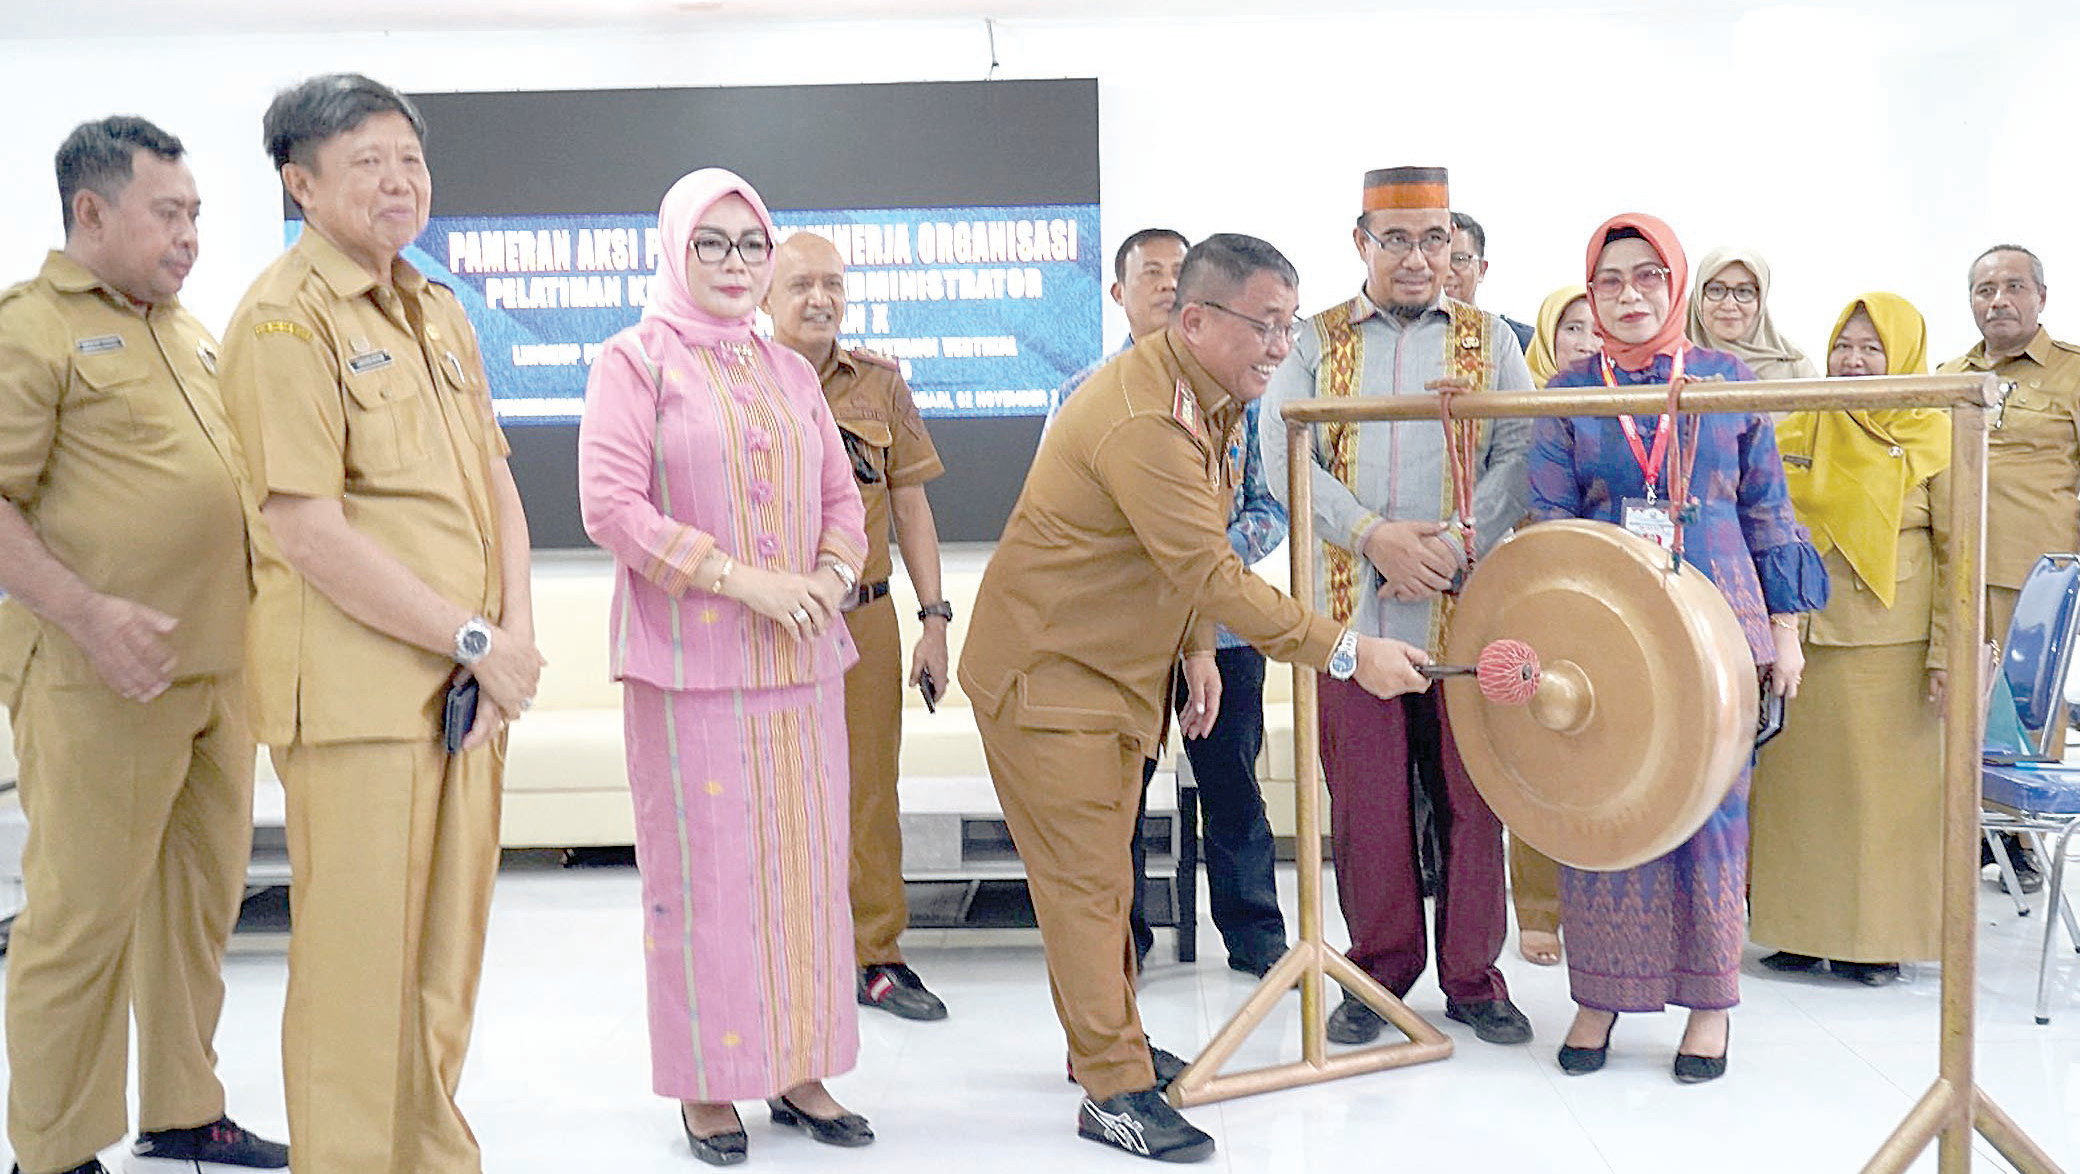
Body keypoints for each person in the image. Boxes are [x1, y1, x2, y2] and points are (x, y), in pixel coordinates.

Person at [958, 233, 1432, 1162]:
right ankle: (1113, 1089)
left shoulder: (1204, 399)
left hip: (1110, 671)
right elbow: (1207, 566)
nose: (1276, 346)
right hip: (1051, 678)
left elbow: (1165, 561)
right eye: (1263, 325)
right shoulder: (1148, 417)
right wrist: (1345, 651)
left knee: (1104, 875)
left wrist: (1196, 650)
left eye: (1288, 326)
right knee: (1090, 888)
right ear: (1197, 320)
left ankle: (1108, 1045)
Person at [218, 74, 542, 1174]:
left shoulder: (438, 308)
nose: (398, 180)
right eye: (367, 161)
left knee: (442, 966)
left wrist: (513, 640)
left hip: (463, 695)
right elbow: (305, 528)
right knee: (359, 975)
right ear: (300, 184)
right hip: (360, 700)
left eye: (409, 157)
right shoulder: (282, 318)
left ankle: (429, 1153)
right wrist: (475, 640)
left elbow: (496, 483)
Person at [0, 117, 287, 1174]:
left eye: (197, 214)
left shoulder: (187, 329)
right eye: (169, 213)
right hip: (94, 678)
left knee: (195, 912)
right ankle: (55, 1148)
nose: (191, 235)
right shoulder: (30, 331)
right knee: (80, 922)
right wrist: (85, 610)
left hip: (216, 671)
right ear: (91, 212)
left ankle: (183, 1107)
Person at [580, 168, 873, 1167]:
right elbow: (610, 507)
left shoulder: (789, 369)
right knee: (706, 882)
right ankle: (708, 1082)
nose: (736, 265)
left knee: (804, 875)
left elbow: (843, 498)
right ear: (672, 250)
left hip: (800, 664)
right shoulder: (633, 360)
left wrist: (831, 577)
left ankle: (801, 1064)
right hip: (686, 669)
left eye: (751, 245)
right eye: (712, 244)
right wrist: (739, 579)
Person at [1533, 212, 1827, 1084]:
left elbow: (1769, 509)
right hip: (1608, 639)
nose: (1630, 296)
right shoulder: (1566, 392)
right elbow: (1550, 524)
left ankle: (1709, 1008)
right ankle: (1601, 996)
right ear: (1591, 292)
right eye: (1611, 281)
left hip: (1720, 631)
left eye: (1648, 277)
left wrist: (1786, 632)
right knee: (1605, 811)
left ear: (1676, 284)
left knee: (1713, 818)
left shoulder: (1726, 377)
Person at [1261, 166, 1535, 1050]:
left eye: (1435, 240)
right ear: (1361, 243)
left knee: (1472, 798)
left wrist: (1451, 547)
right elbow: (1281, 458)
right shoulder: (1314, 340)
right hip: (1352, 614)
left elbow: (1520, 454)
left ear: (1455, 245)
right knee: (1368, 807)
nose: (1419, 259)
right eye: (1398, 240)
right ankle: (1375, 975)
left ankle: (1474, 979)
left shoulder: (1491, 340)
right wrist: (1374, 536)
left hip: (1466, 612)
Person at [764, 231, 955, 1021]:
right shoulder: (739, 381)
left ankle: (876, 956)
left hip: (863, 619)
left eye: (834, 284)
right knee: (773, 793)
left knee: (869, 793)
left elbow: (910, 504)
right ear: (765, 296)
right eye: (802, 284)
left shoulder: (879, 383)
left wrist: (934, 621)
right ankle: (783, 952)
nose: (821, 299)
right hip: (768, 623)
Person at [1750, 293, 1948, 986]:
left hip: (1891, 645)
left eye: (1871, 347)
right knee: (1798, 797)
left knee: (1880, 803)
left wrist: (1949, 653)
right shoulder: (1798, 426)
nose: (1853, 360)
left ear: (1904, 355)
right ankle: (1799, 932)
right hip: (1801, 634)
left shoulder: (1936, 437)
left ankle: (1876, 941)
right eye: (1844, 346)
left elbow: (1958, 555)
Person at [1936, 244, 2080, 894]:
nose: (1998, 300)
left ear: (2041, 297)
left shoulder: (2071, 374)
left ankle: (2018, 840)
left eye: (2014, 287)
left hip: (2034, 576)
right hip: (1950, 566)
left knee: (2021, 714)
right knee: (1949, 705)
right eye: (1984, 289)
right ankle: (1960, 834)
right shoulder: (1947, 373)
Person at [1507, 283, 1607, 968]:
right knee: (1540, 757)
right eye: (1572, 329)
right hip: (1538, 600)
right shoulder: (1523, 413)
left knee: (1611, 758)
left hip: (1617, 607)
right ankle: (1538, 909)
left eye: (1596, 330)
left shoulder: (1629, 406)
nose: (1587, 341)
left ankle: (1600, 908)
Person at [1685, 246, 1820, 382]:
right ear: (1698, 296)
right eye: (1716, 290)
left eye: (1744, 291)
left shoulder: (1794, 368)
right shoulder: (1671, 362)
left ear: (1760, 300)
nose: (1729, 304)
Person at [1445, 212, 1535, 350]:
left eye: (1459, 259)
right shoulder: (1406, 339)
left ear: (1481, 269)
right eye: (1438, 261)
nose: (1446, 272)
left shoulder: (1516, 341)